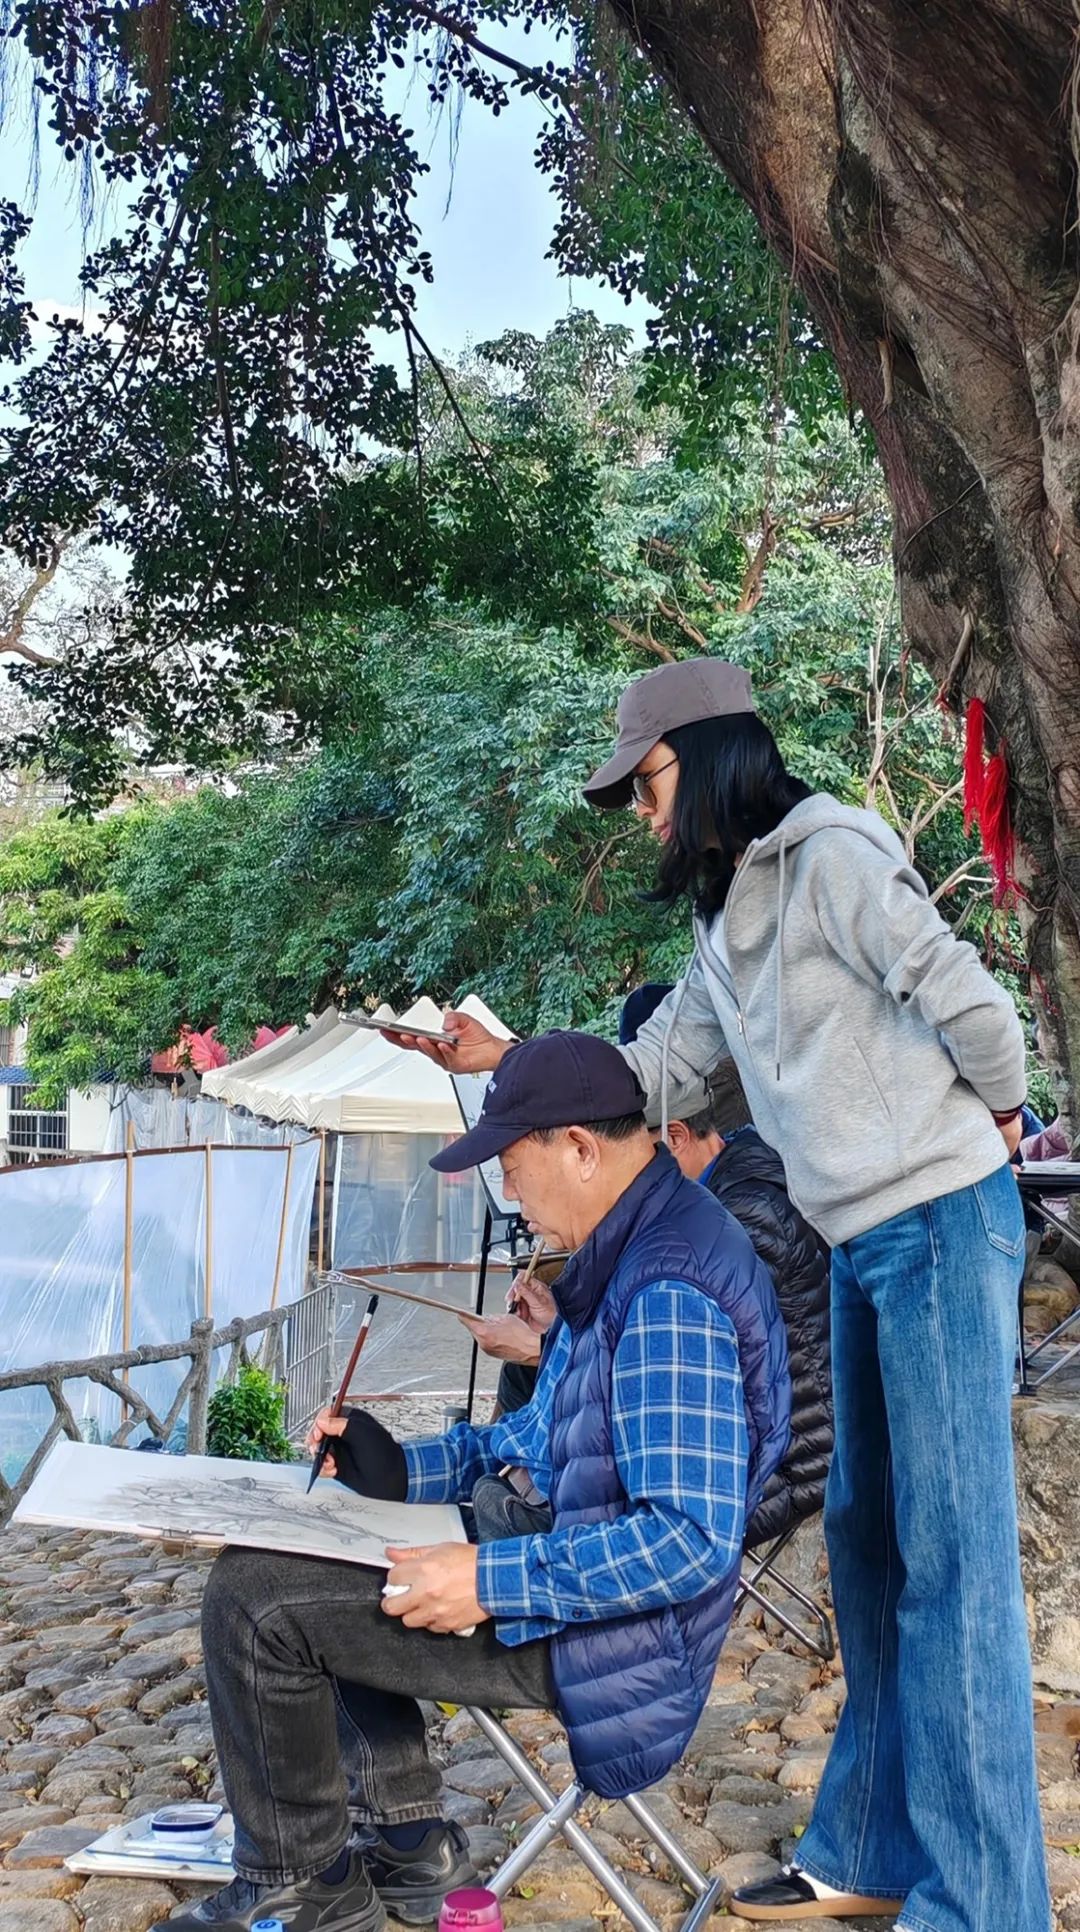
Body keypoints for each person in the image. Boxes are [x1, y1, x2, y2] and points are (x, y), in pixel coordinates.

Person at [390, 657, 1048, 1932]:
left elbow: (973, 1002)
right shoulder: (721, 919)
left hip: (941, 1224)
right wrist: (507, 1059)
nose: (641, 812)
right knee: (864, 1549)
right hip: (857, 1239)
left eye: (646, 783)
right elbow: (648, 1078)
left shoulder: (833, 854)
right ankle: (867, 1854)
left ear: (712, 755)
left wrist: (1005, 1117)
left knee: (955, 1574)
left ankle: (985, 1907)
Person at [156, 1030, 790, 1932]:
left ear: (578, 1146)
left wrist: (489, 1582)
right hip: (557, 1565)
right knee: (317, 1531)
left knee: (254, 1596)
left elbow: (686, 1539)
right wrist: (399, 1467)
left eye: (513, 1166)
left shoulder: (666, 1289)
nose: (510, 1197)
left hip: (615, 1639)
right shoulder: (631, 1246)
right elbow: (537, 1435)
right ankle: (407, 1840)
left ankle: (299, 1884)